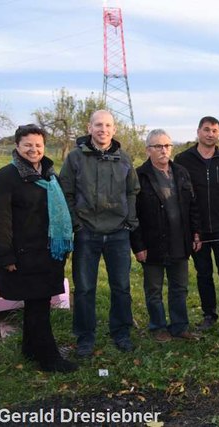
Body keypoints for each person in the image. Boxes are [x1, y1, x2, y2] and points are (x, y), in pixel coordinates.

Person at [0, 124, 77, 372]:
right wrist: (5, 256)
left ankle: (29, 349)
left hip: (48, 253)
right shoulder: (5, 178)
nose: (33, 149)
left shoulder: (50, 177)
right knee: (37, 306)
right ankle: (49, 358)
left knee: (39, 304)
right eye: (28, 145)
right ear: (17, 146)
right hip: (24, 255)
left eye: (38, 145)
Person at [59, 110, 140, 357]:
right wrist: (77, 224)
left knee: (121, 287)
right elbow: (66, 193)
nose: (103, 129)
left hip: (118, 233)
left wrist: (129, 220)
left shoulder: (124, 159)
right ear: (89, 127)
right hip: (87, 232)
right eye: (98, 125)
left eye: (107, 125)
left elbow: (132, 191)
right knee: (84, 288)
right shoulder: (75, 158)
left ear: (114, 129)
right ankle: (85, 337)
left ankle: (121, 332)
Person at [174, 116, 219, 335]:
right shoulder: (183, 159)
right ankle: (209, 315)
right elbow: (179, 196)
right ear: (198, 132)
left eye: (215, 130)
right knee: (203, 274)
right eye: (206, 130)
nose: (210, 134)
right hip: (197, 230)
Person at [130, 129, 202, 342]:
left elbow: (193, 206)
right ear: (148, 150)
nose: (163, 150)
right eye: (158, 146)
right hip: (152, 242)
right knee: (153, 289)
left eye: (167, 146)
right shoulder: (139, 175)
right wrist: (138, 245)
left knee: (179, 287)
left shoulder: (181, 172)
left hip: (179, 240)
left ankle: (179, 326)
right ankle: (158, 327)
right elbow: (132, 214)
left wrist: (196, 233)